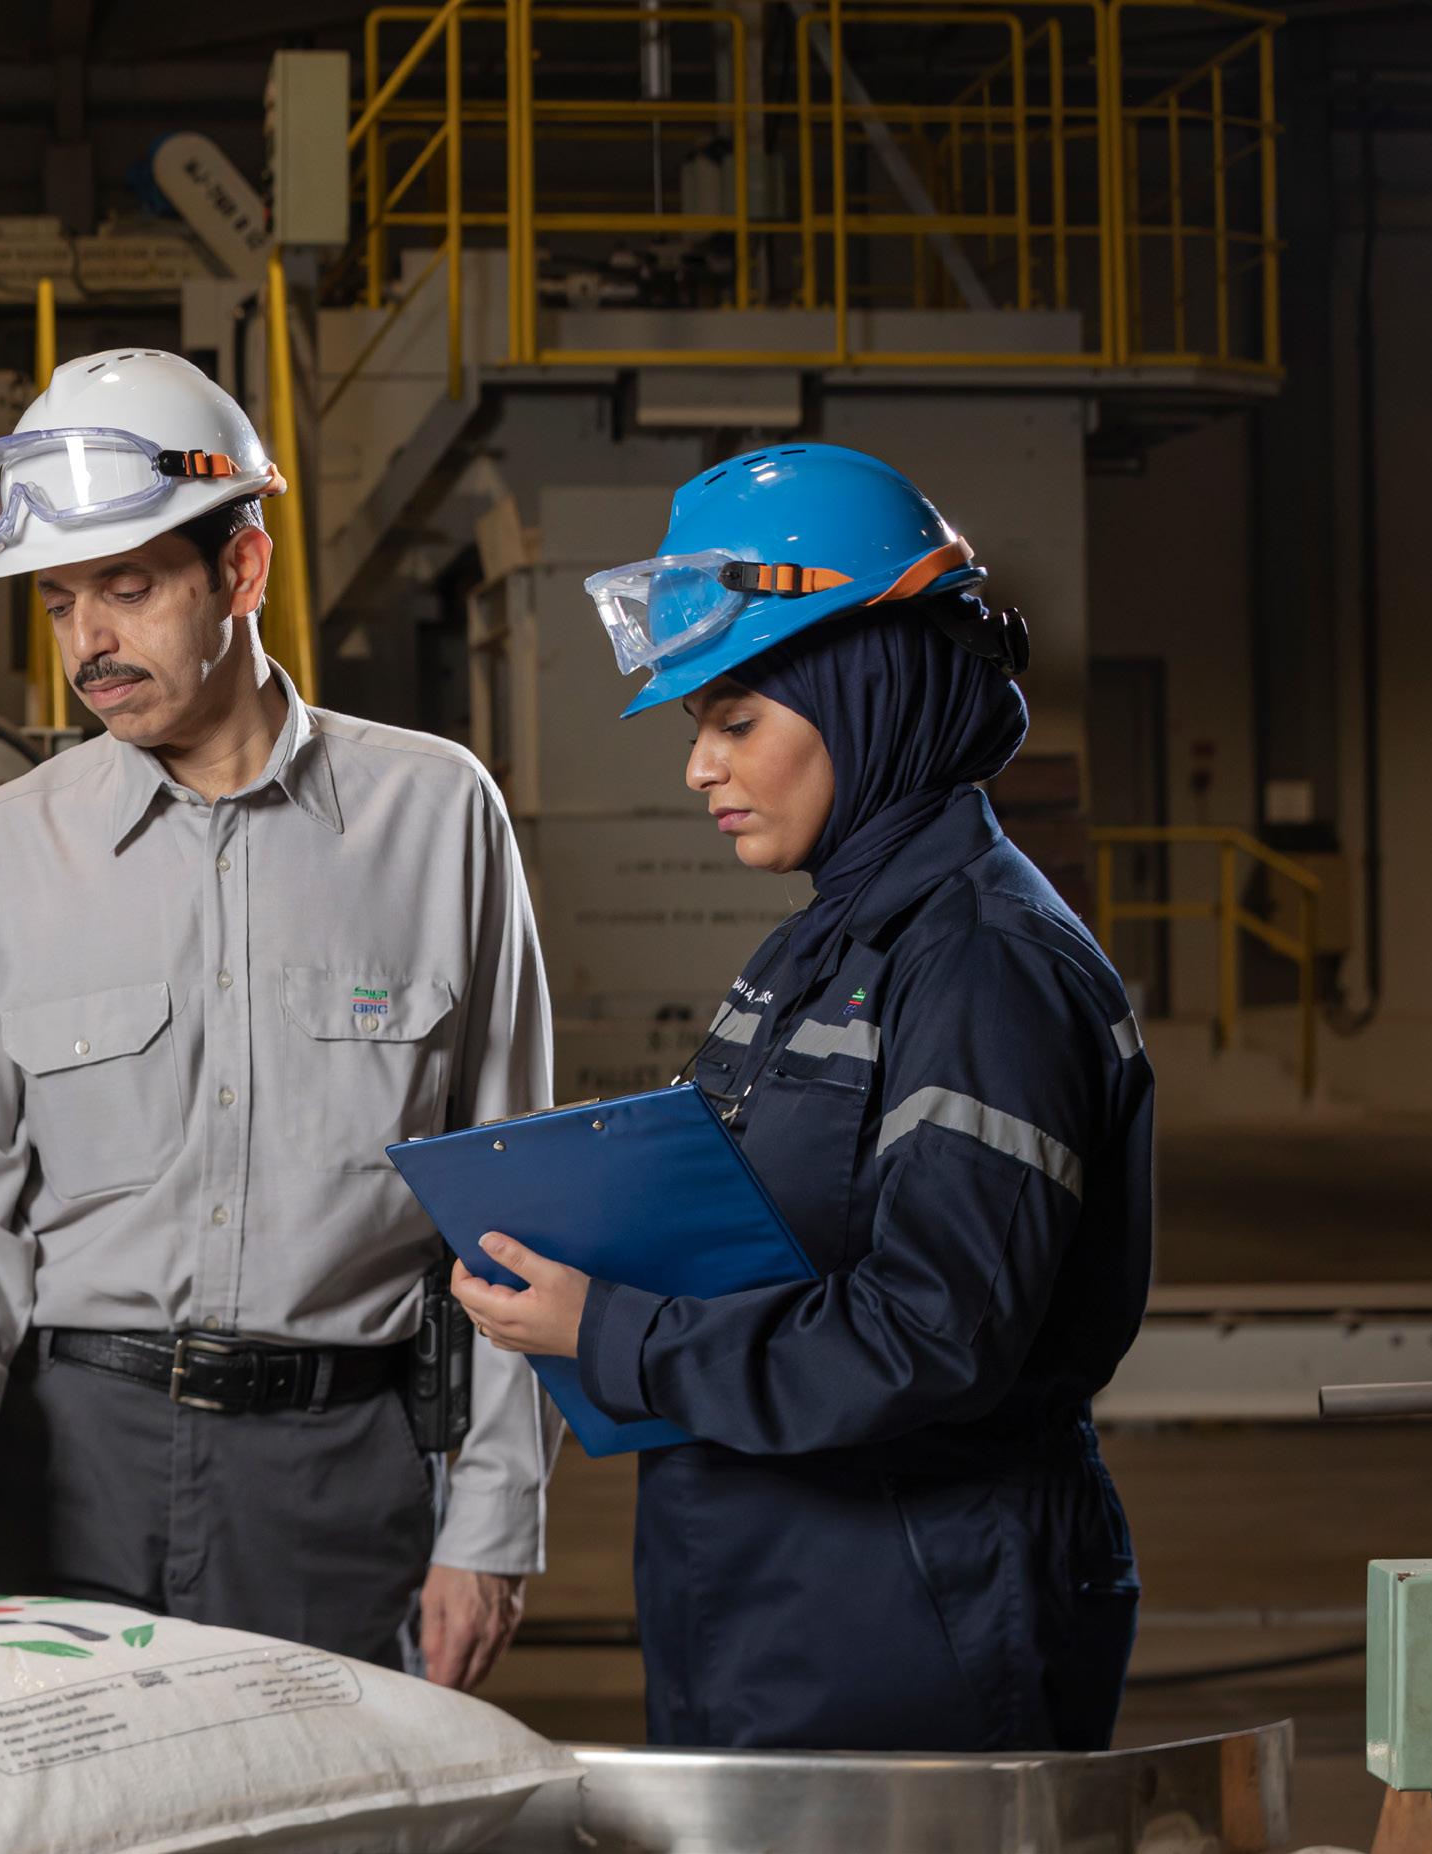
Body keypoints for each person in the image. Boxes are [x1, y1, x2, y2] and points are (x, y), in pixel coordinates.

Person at [0, 349, 559, 1687]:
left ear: (243, 571)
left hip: (339, 1477)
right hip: (61, 1470)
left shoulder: (438, 819)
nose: (87, 644)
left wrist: (496, 1515)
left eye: (128, 587)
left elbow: (517, 1202)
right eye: (59, 601)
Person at [450, 443, 1152, 1751]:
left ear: (864, 689)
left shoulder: (985, 964)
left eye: (735, 723)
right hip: (768, 1585)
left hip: (919, 1601)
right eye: (695, 730)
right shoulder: (827, 945)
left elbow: (934, 1333)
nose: (699, 769)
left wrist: (613, 1330)